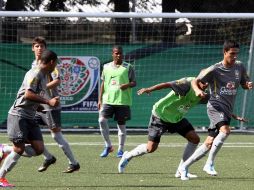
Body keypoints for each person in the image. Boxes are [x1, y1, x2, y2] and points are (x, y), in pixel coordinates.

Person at [179, 40, 253, 180]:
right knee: (225, 130)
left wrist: (248, 85)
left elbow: (244, 83)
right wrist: (197, 91)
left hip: (226, 109)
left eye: (237, 53)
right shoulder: (214, 69)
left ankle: (184, 166)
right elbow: (195, 81)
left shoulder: (240, 66)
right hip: (215, 106)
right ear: (224, 52)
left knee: (208, 143)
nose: (235, 56)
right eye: (232, 53)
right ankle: (209, 163)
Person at [118, 77, 209, 176]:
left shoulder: (206, 93)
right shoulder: (187, 84)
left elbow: (215, 102)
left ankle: (182, 169)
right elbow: (168, 84)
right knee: (150, 148)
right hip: (160, 115)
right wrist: (149, 89)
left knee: (194, 139)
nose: (206, 85)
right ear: (199, 80)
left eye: (209, 82)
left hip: (176, 118)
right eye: (204, 82)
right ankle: (128, 156)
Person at [0, 50, 59, 187]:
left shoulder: (45, 75)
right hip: (18, 115)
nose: (56, 65)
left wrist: (38, 107)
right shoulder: (35, 73)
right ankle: (1, 177)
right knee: (19, 149)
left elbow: (33, 96)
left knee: (38, 149)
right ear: (51, 62)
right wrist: (48, 102)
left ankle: (5, 149)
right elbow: (27, 94)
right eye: (56, 62)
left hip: (30, 116)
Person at [31, 36, 80, 173]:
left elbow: (57, 81)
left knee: (56, 135)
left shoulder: (51, 65)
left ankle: (73, 162)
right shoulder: (33, 64)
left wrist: (42, 87)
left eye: (42, 46)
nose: (39, 48)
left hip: (50, 105)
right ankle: (48, 157)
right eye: (37, 46)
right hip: (37, 105)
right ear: (33, 48)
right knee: (28, 131)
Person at [98, 45, 136, 158]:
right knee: (101, 120)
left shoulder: (128, 67)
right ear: (112, 54)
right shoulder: (106, 67)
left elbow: (134, 82)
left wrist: (127, 85)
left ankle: (120, 149)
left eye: (120, 53)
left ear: (122, 54)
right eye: (116, 53)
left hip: (122, 101)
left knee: (121, 126)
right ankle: (108, 146)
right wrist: (100, 99)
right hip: (107, 100)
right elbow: (103, 83)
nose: (118, 55)